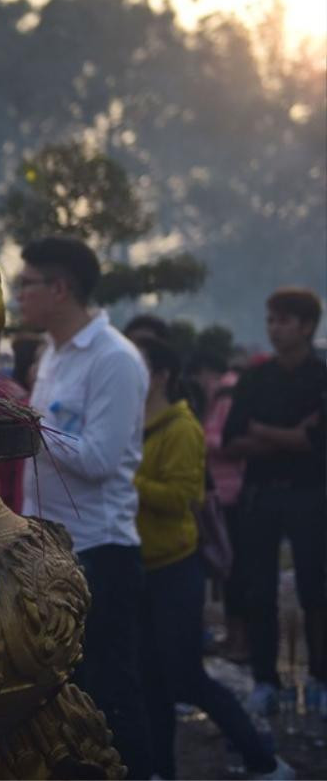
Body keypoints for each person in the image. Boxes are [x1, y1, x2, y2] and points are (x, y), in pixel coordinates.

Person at [16, 237, 152, 778]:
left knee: (109, 693)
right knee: (62, 694)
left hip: (100, 550)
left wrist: (29, 423)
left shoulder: (114, 359)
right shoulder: (51, 352)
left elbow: (99, 458)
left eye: (27, 284)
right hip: (48, 547)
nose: (17, 294)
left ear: (59, 288)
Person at [132, 337, 290, 780]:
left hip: (175, 569)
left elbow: (183, 496)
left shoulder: (182, 428)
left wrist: (126, 478)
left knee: (185, 677)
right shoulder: (126, 422)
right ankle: (161, 770)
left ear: (161, 374)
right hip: (138, 565)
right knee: (151, 683)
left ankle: (262, 759)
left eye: (136, 364)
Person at [223, 287, 327, 716]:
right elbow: (232, 441)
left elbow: (320, 445)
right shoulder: (254, 378)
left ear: (306, 326)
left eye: (283, 320)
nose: (274, 329)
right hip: (261, 496)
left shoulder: (322, 378)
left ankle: (320, 679)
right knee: (258, 589)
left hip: (313, 494)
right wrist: (293, 438)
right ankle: (266, 680)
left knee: (317, 589)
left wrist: (264, 432)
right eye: (270, 320)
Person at [190, 350, 249, 660]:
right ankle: (233, 635)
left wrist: (194, 436)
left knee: (232, 568)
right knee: (229, 569)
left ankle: (240, 639)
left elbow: (224, 438)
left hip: (229, 491)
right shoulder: (222, 391)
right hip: (221, 491)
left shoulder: (226, 392)